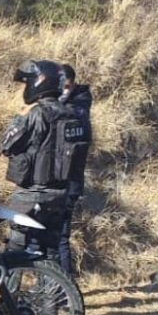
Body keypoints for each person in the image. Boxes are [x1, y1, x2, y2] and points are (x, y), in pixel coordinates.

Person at [0, 60, 90, 269]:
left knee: (15, 249)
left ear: (40, 83)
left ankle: (8, 299)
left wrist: (19, 118)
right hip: (60, 193)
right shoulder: (73, 114)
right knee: (50, 252)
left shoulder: (37, 114)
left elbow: (6, 145)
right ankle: (52, 300)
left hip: (31, 194)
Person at [57, 63, 93, 276]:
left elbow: (74, 117)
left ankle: (63, 288)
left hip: (69, 183)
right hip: (51, 182)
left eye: (67, 86)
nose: (64, 90)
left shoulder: (81, 103)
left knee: (60, 238)